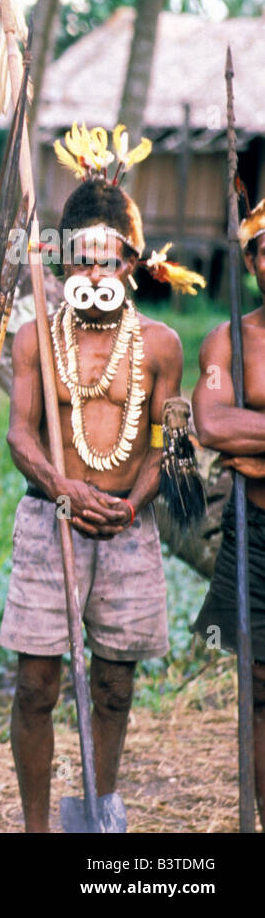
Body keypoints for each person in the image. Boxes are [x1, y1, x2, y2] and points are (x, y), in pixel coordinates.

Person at [3, 126, 190, 832]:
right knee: (36, 684)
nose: (94, 276)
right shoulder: (35, 340)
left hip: (128, 525)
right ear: (59, 264)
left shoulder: (163, 347)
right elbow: (20, 433)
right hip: (50, 520)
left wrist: (130, 503)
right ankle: (36, 824)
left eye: (109, 263)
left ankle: (100, 811)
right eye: (80, 262)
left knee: (114, 682)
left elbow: (173, 441)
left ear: (133, 265)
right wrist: (63, 488)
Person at [191, 196, 265, 828]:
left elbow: (235, 430)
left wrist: (258, 440)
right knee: (260, 687)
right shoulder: (229, 341)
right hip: (257, 533)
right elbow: (212, 423)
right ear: (251, 259)